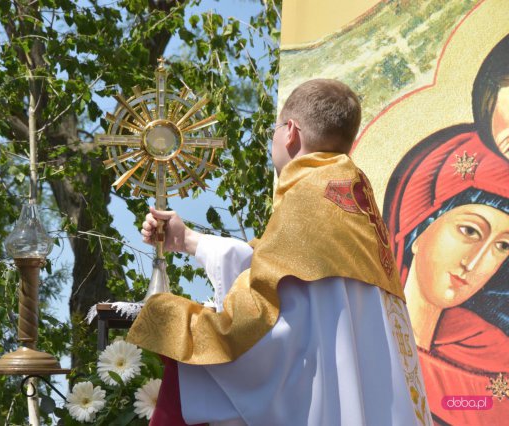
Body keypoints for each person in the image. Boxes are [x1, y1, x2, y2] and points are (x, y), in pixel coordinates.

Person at [128, 79, 431, 425]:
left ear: (290, 132)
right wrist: (189, 241)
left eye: (274, 130)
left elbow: (263, 328)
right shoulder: (352, 198)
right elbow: (281, 278)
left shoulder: (307, 197)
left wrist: (178, 321)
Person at [382, 34, 509, 426]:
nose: (477, 261)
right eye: (470, 231)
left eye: (503, 245)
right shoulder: (360, 336)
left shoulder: (492, 358)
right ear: (417, 227)